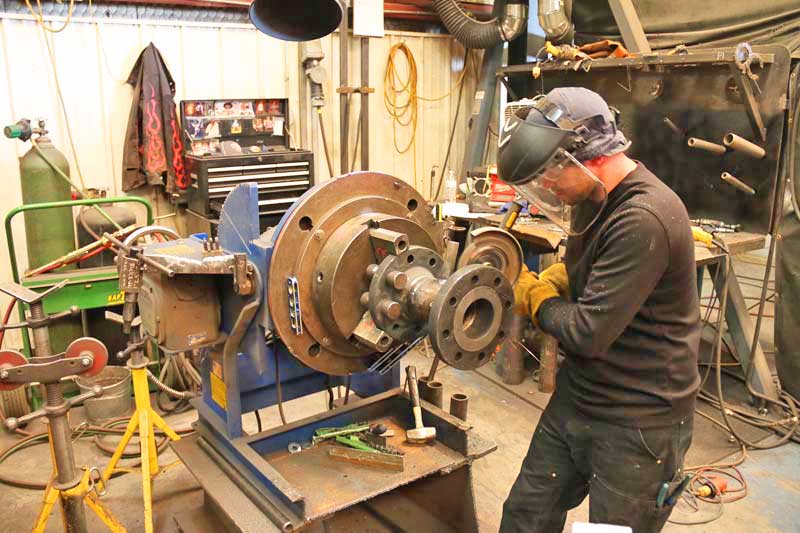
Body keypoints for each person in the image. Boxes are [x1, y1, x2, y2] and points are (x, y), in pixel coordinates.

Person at [496, 87, 701, 533]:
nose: (545, 187)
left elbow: (587, 332)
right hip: (582, 395)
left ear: (584, 157)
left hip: (640, 420)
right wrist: (565, 278)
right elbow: (593, 273)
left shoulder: (644, 216)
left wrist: (536, 298)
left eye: (550, 175)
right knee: (524, 517)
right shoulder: (590, 200)